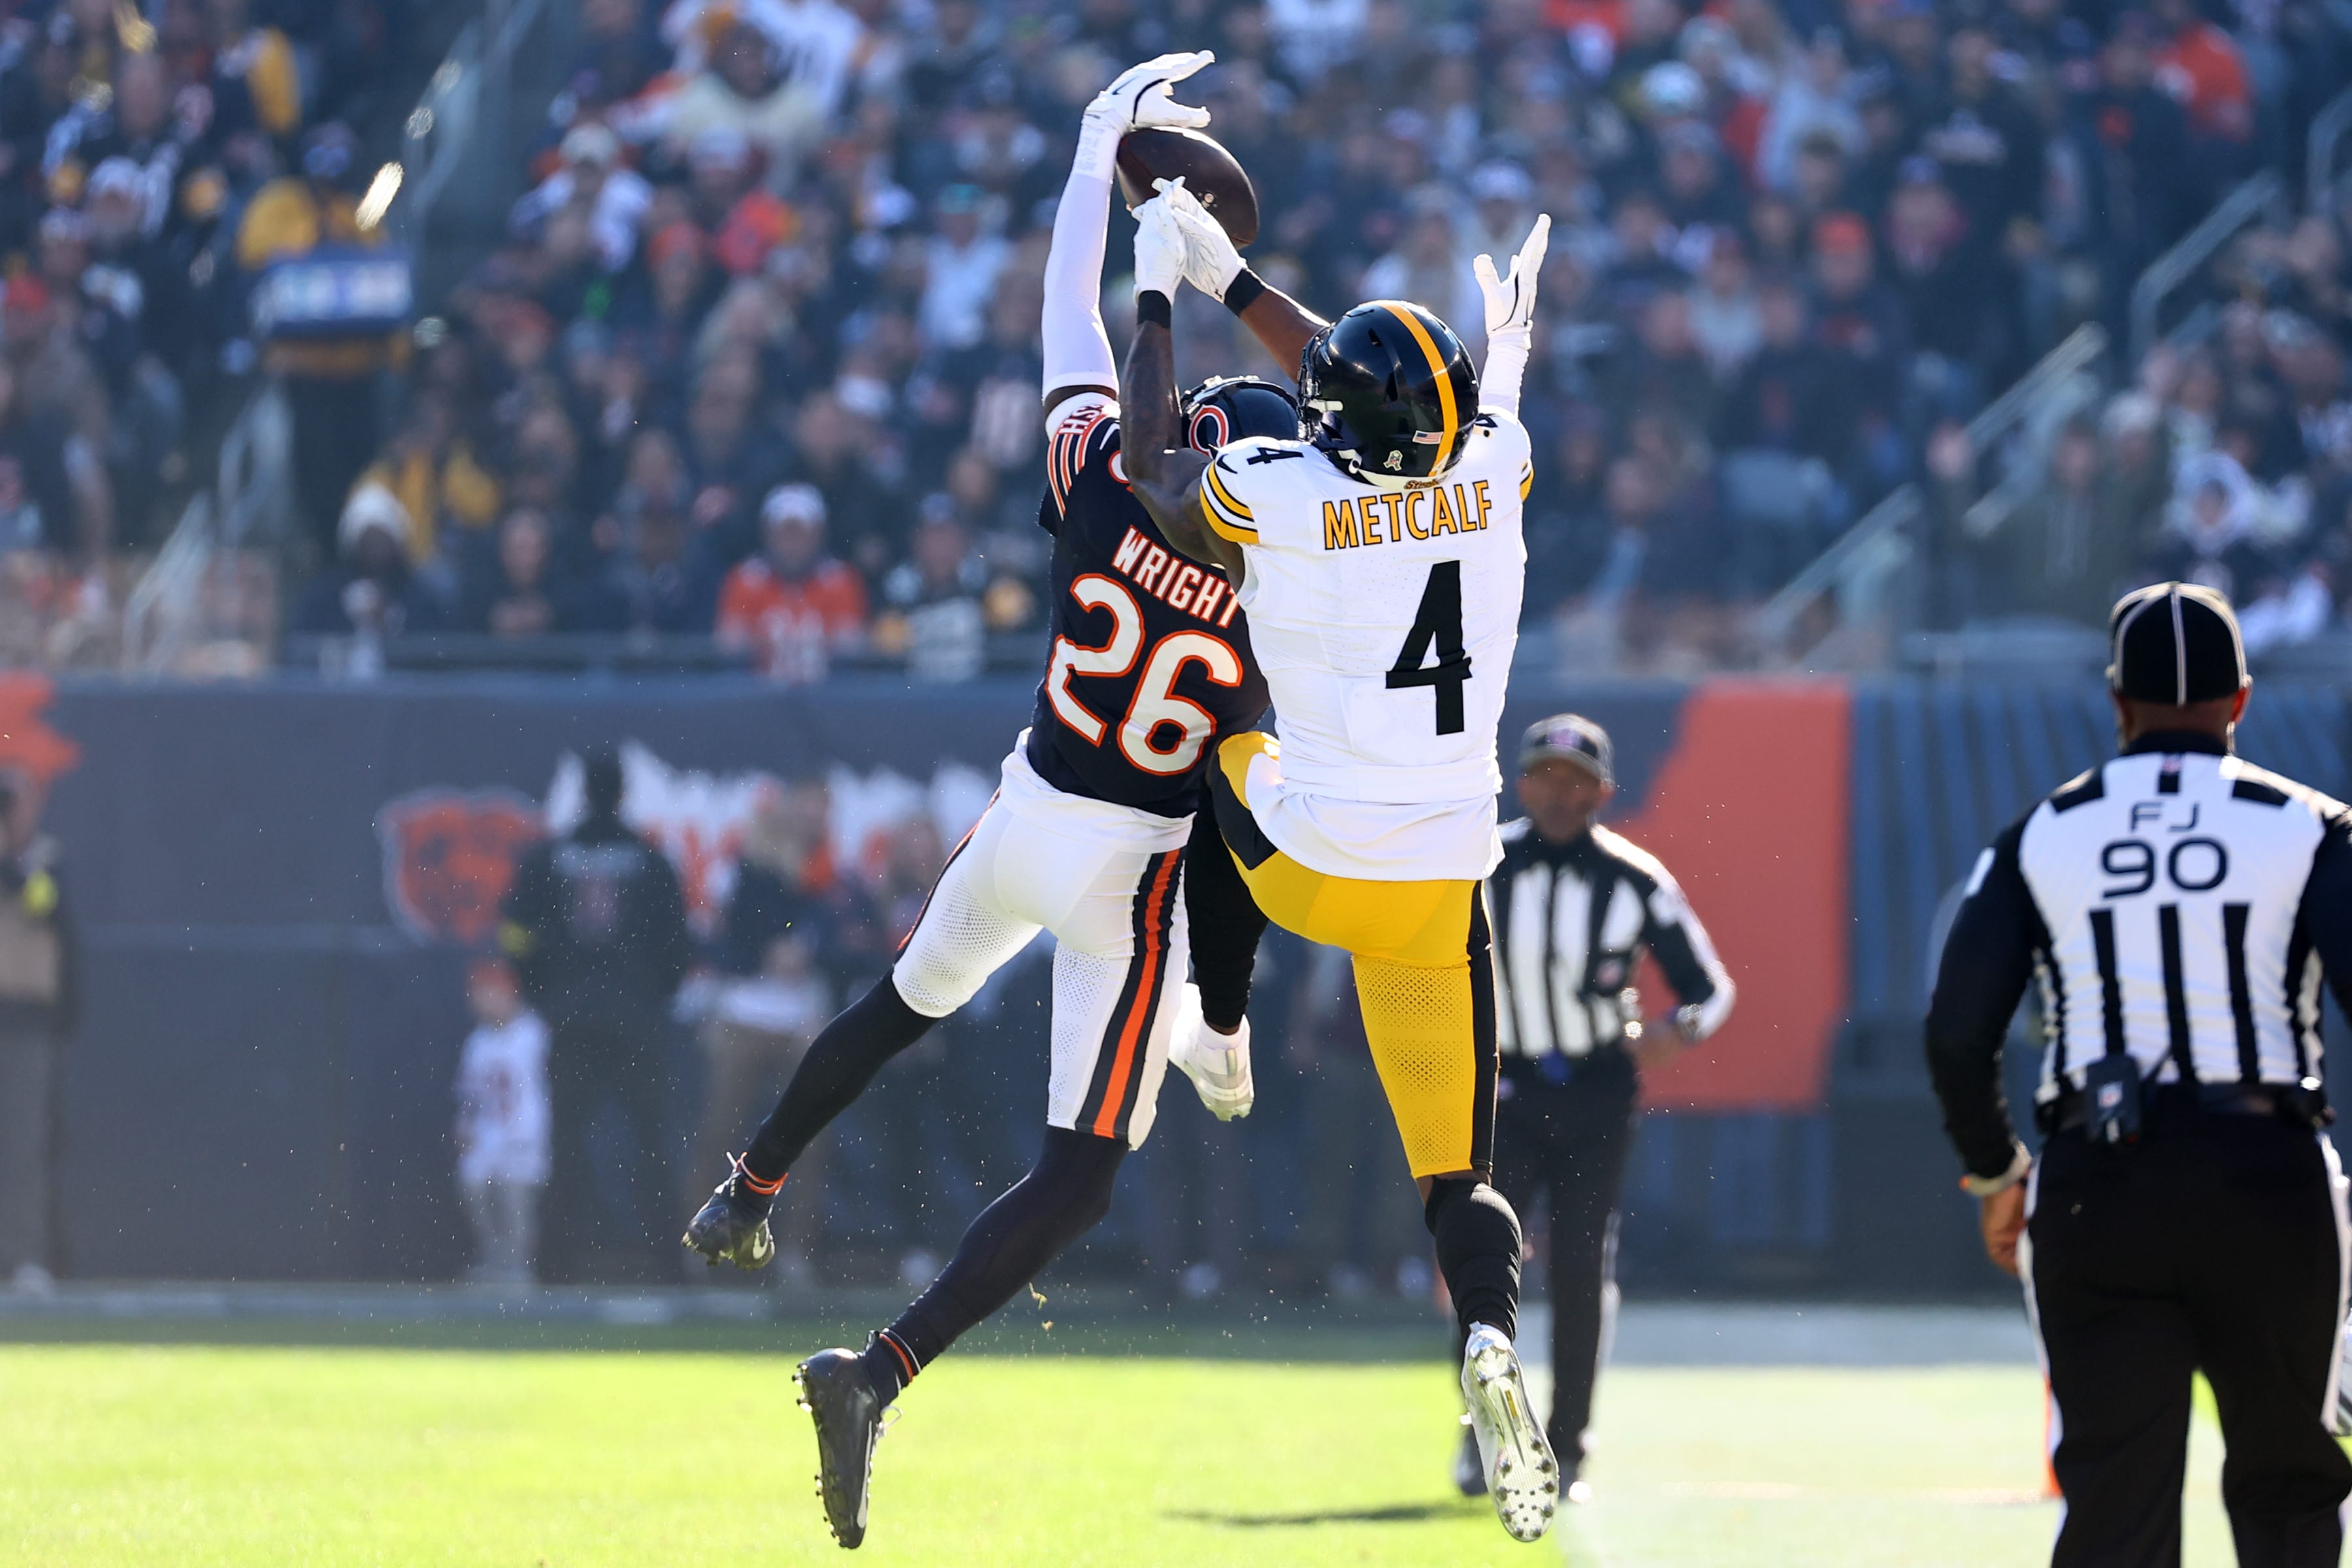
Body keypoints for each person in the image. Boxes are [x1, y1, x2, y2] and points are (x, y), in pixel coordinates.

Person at [676, 55, 1294, 1549]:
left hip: (1024, 812)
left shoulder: (1099, 484)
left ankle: (747, 1182)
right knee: (1080, 1171)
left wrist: (1098, 164)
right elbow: (1252, 785)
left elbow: (1060, 321)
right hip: (1132, 869)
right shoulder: (1288, 590)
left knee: (897, 1002)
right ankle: (878, 1367)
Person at [1122, 171, 1562, 1541]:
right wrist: (1244, 285)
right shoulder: (1496, 463)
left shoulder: (1277, 490)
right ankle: (1488, 1336)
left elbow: (1147, 466)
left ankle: (1223, 1027)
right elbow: (1383, 393)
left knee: (1216, 754)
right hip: (1443, 883)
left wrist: (1161, 291)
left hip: (1305, 857)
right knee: (1460, 1178)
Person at [1926, 583, 2352, 1568]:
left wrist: (1998, 1174)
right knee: (2289, 1490)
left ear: (2116, 703)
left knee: (2117, 1503)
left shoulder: (2041, 835)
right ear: (2241, 701)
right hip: (2269, 1180)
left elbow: (1956, 1033)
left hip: (2099, 1187)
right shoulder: (2312, 827)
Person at [1456, 714, 1735, 1505]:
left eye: (1577, 781)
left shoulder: (1636, 880)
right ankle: (1482, 1432)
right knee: (1486, 1265)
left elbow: (1711, 986)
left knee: (1581, 1267)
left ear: (1603, 793)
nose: (1560, 793)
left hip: (1599, 1096)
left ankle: (1568, 1442)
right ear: (1522, 783)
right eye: (1546, 776)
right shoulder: (1478, 866)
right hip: (1503, 1095)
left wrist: (1679, 1030)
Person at [500, 746, 692, 1283]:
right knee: (651, 1146)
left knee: (566, 1145)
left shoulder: (550, 855)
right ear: (623, 794)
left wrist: (542, 991)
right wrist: (652, 997)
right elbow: (677, 943)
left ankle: (555, 1266)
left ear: (583, 793)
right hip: (635, 1022)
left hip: (571, 1020)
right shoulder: (650, 860)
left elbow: (514, 930)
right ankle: (669, 1267)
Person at [0, 775, 73, 1296]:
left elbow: (39, 904)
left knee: (23, 1144)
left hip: (24, 1019)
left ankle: (25, 1256)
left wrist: (16, 858)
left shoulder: (45, 861)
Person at [451, 960, 550, 1286]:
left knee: (515, 1199)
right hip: (488, 1132)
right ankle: (494, 1258)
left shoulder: (533, 1032)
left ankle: (519, 1265)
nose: (485, 999)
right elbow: (470, 1093)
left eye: (491, 991)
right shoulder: (477, 1041)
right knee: (475, 1188)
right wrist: (464, 1124)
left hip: (525, 1131)